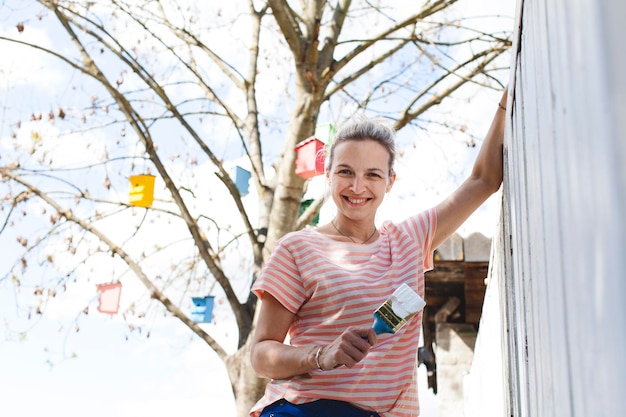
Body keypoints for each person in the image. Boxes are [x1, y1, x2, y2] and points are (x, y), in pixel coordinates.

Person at [249, 87, 509, 417]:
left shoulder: (410, 240)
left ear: (390, 181)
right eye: (345, 172)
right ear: (328, 175)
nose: (358, 187)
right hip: (306, 410)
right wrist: (322, 354)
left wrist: (504, 99)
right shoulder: (297, 248)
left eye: (373, 174)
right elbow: (260, 355)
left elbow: (483, 180)